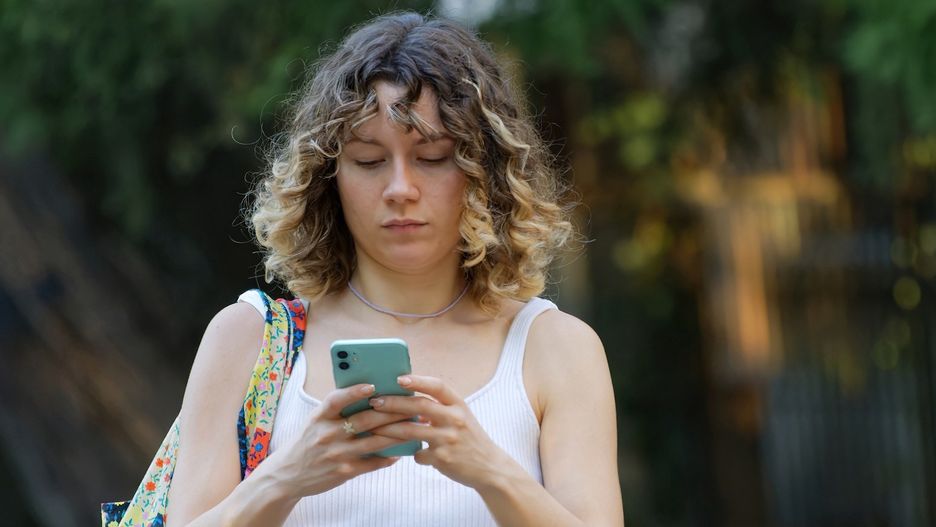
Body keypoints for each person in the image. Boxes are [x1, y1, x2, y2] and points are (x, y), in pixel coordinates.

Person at [164, 11, 623, 527]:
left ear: (487, 172)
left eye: (433, 157)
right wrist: (287, 476)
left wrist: (491, 471)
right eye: (368, 160)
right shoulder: (246, 339)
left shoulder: (555, 347)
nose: (400, 189)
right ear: (328, 177)